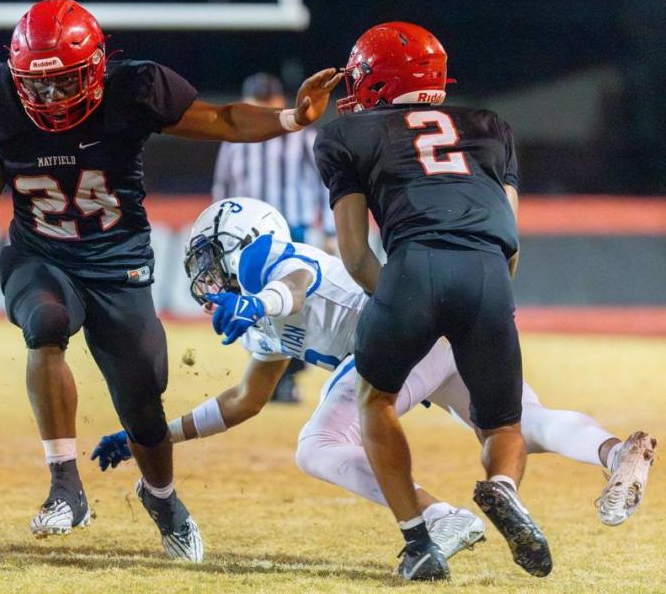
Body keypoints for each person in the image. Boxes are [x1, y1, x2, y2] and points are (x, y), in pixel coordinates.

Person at [0, 0, 341, 562]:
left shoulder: (135, 90)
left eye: (63, 82)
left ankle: (162, 499)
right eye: (35, 86)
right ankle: (65, 487)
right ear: (14, 75)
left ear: (95, 68)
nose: (49, 98)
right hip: (41, 252)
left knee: (143, 401)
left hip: (119, 263)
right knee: (44, 324)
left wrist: (292, 118)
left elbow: (224, 120)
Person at [91, 197, 657, 561]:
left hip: (402, 340)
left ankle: (441, 518)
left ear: (240, 245)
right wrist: (157, 435)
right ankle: (614, 452)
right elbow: (244, 400)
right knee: (521, 425)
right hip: (438, 335)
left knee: (317, 445)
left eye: (212, 258)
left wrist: (256, 301)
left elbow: (294, 280)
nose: (207, 276)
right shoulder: (256, 316)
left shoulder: (276, 261)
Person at [315, 21, 546, 580]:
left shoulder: (345, 136)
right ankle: (503, 486)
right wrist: (478, 303)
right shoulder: (491, 127)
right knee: (502, 424)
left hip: (413, 266)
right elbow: (509, 240)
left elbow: (354, 253)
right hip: (488, 271)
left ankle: (419, 542)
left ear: (375, 80)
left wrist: (397, 307)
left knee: (375, 401)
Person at [211, 73, 335, 404]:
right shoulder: (234, 142)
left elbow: (327, 186)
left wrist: (329, 232)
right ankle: (265, 378)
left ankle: (289, 378)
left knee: (291, 307)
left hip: (291, 232)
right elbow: (222, 190)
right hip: (247, 238)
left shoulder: (303, 139)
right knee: (258, 309)